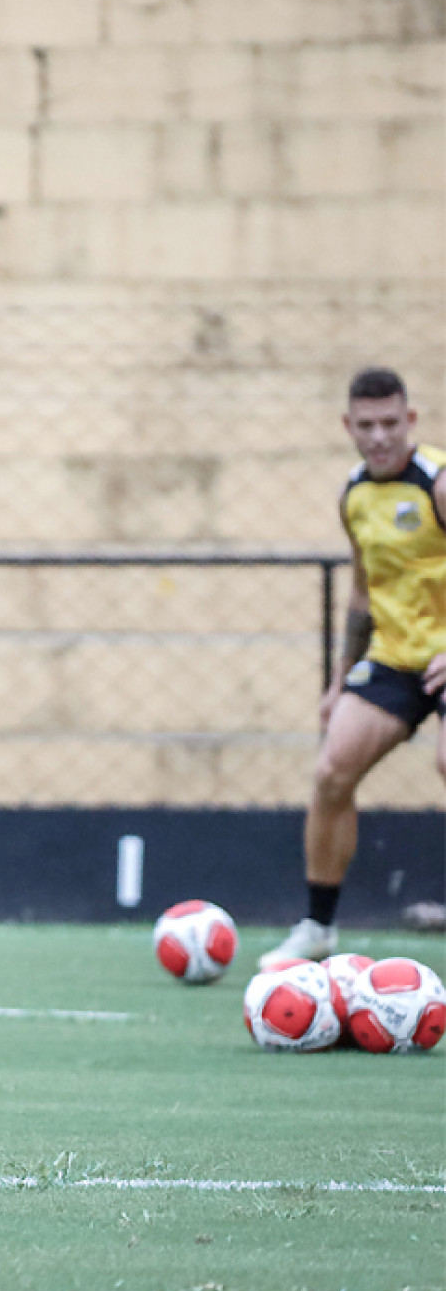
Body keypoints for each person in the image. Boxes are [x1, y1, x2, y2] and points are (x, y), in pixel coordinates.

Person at [259, 368, 446, 970]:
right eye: (366, 426)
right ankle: (317, 926)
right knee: (332, 770)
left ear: (411, 421)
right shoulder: (354, 495)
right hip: (393, 658)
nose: (380, 437)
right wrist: (341, 677)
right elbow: (363, 592)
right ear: (348, 427)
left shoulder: (438, 485)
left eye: (391, 423)